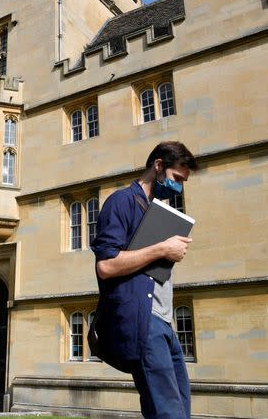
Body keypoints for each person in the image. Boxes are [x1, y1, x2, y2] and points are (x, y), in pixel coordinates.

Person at [91, 141, 198, 419]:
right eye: (176, 179)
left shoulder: (157, 211)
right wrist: (162, 249)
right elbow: (106, 265)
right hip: (145, 321)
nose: (179, 187)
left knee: (180, 408)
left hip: (164, 321)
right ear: (159, 166)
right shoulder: (122, 201)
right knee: (168, 414)